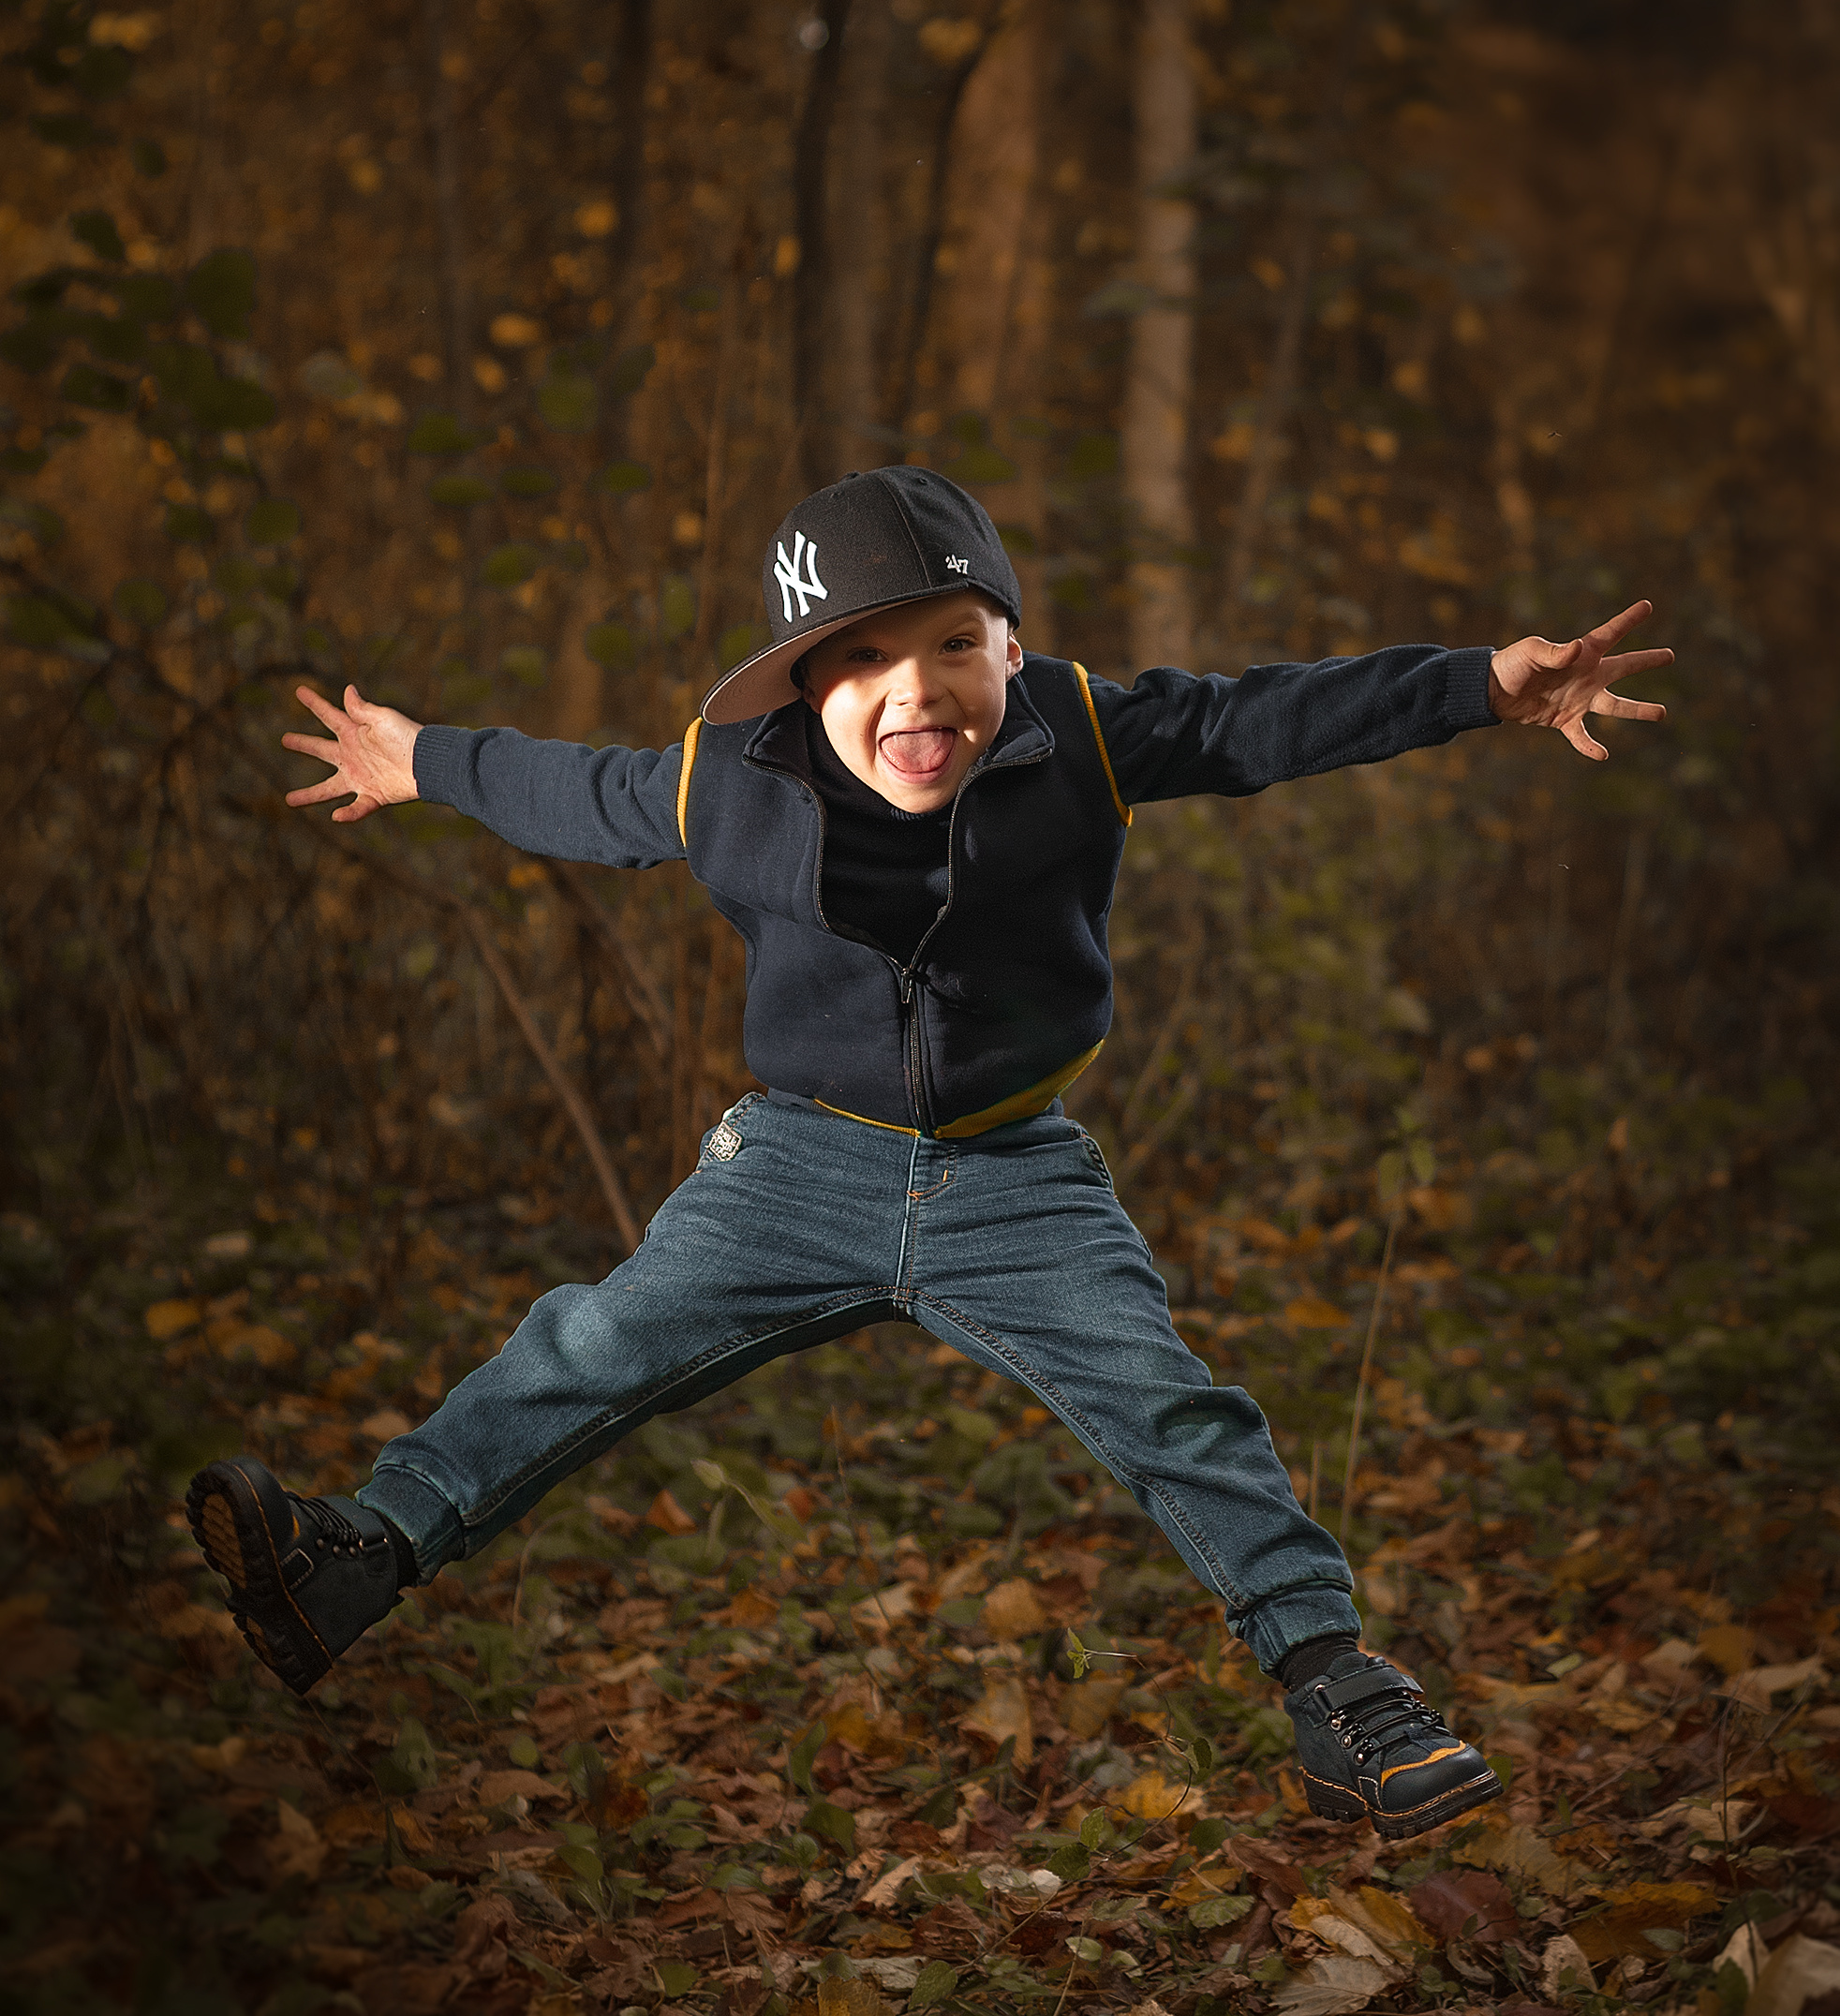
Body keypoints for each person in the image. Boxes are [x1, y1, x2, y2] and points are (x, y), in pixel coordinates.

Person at [187, 467, 1670, 1840]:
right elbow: (575, 794)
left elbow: (1261, 720)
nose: (918, 689)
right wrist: (424, 760)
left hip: (1015, 1173)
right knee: (587, 1345)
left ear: (1009, 652)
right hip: (794, 1165)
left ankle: (1341, 1686)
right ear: (803, 683)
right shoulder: (728, 782)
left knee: (1172, 1408)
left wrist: (1480, 684)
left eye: (956, 642)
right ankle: (356, 1559)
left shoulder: (1082, 731)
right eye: (866, 658)